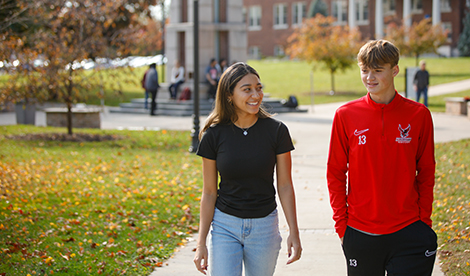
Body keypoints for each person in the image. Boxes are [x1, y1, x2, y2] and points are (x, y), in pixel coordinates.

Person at [326, 40, 437, 275]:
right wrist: (342, 226)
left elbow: (426, 171)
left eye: (378, 70)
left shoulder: (419, 115)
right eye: (365, 70)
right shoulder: (345, 115)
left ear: (394, 70)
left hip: (409, 229)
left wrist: (424, 222)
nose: (369, 77)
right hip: (360, 231)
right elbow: (335, 172)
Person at [193, 62, 302, 276]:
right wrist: (201, 242)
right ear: (229, 95)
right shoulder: (213, 135)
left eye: (258, 88)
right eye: (247, 89)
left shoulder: (277, 131)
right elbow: (208, 192)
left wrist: (294, 232)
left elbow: (285, 185)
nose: (256, 94)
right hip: (225, 225)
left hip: (264, 227)